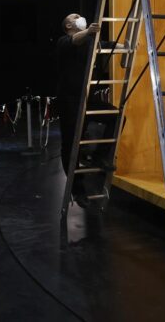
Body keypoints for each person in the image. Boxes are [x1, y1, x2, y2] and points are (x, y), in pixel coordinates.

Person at [56, 12, 100, 205]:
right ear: (68, 25)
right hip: (69, 100)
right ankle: (78, 190)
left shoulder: (89, 40)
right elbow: (74, 41)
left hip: (87, 97)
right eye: (76, 17)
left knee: (116, 117)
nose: (80, 17)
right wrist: (89, 31)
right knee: (71, 144)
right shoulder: (63, 41)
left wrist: (125, 45)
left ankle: (100, 156)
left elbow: (105, 45)